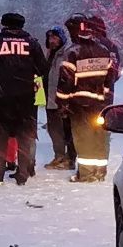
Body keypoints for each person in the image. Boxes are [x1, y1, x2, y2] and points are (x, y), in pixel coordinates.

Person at [0, 13, 49, 185]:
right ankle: (22, 174)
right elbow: (42, 69)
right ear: (21, 25)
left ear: (3, 25)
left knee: (0, 137)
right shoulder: (32, 43)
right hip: (25, 97)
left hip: (3, 96)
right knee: (25, 136)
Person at [56, 13, 119, 183]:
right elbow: (110, 79)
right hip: (100, 103)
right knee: (100, 137)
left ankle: (86, 174)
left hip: (79, 104)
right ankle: (100, 171)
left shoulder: (72, 53)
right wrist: (106, 99)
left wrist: (62, 103)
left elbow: (66, 81)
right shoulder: (105, 51)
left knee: (83, 138)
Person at [42, 26, 76, 170]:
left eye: (55, 38)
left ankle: (69, 158)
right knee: (54, 129)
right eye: (50, 38)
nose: (52, 41)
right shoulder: (50, 54)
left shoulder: (67, 53)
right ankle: (59, 156)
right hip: (50, 98)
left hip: (62, 99)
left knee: (66, 130)